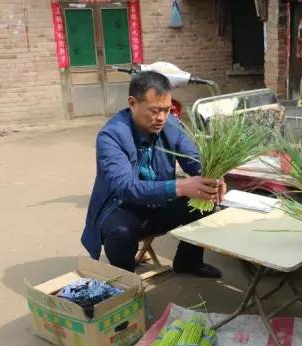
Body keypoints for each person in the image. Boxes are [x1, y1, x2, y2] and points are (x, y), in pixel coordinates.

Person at [81, 71, 224, 277]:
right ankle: (125, 280)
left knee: (205, 202)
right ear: (132, 103)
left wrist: (212, 177)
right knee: (121, 232)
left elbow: (193, 161)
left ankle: (188, 262)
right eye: (154, 111)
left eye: (166, 110)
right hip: (122, 208)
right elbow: (125, 187)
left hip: (158, 205)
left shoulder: (172, 125)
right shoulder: (111, 136)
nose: (161, 118)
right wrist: (181, 187)